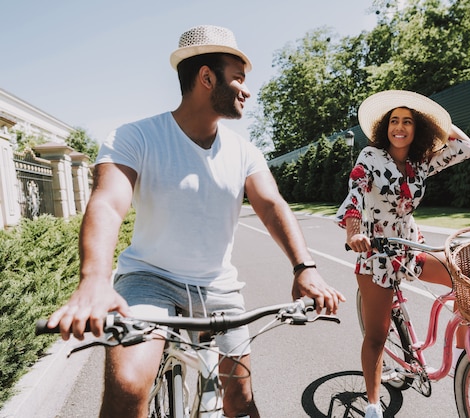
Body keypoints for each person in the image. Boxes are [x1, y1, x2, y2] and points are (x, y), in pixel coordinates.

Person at [46, 25, 345, 418]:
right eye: (238, 77)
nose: (247, 89)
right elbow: (107, 204)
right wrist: (94, 282)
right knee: (129, 387)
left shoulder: (243, 151)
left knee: (241, 400)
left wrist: (304, 268)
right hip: (148, 281)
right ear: (207, 77)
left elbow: (272, 205)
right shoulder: (136, 137)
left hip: (219, 289)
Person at [335, 90, 470, 418]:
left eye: (408, 122)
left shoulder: (420, 162)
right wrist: (354, 232)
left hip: (410, 247)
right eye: (394, 121)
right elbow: (355, 194)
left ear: (417, 129)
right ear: (385, 127)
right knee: (376, 335)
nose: (399, 127)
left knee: (463, 273)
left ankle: (469, 351)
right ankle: (372, 405)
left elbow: (464, 148)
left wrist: (437, 122)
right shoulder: (370, 157)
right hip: (375, 253)